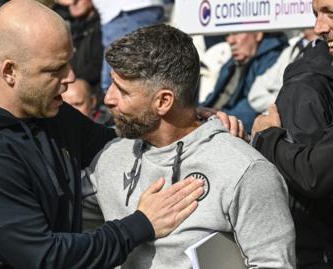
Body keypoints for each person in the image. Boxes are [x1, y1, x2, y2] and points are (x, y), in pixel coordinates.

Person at [0, 1, 204, 267]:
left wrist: (189, 119)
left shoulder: (47, 111)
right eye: (55, 69)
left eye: (68, 62)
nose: (70, 76)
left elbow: (117, 146)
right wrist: (141, 224)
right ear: (10, 71)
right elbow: (46, 258)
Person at [83, 24, 295, 268]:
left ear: (163, 101)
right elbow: (52, 227)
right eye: (111, 83)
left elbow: (273, 263)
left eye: (122, 90)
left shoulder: (245, 170)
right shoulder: (111, 157)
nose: (108, 98)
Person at [252, 1, 333, 266]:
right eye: (316, 14)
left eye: (331, 13)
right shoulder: (306, 85)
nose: (319, 28)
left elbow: (313, 173)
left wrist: (268, 136)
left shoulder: (308, 86)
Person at [202, 32, 288, 132]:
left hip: (231, 126)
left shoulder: (272, 57)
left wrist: (212, 120)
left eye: (237, 33)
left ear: (258, 34)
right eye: (228, 34)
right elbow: (216, 96)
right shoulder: (236, 59)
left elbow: (251, 110)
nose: (230, 40)